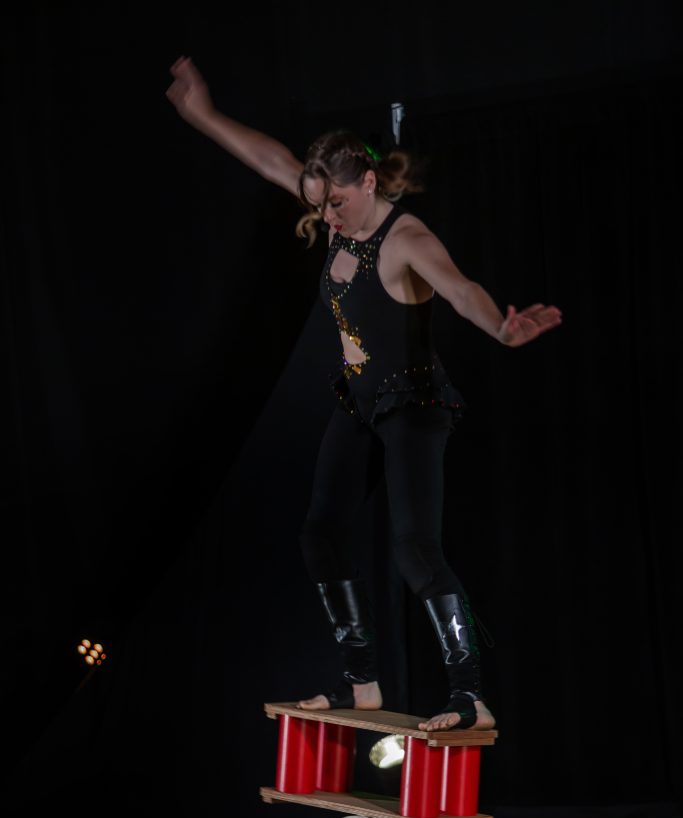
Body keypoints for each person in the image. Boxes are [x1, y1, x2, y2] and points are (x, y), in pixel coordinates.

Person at [166, 56, 562, 732]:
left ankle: (469, 695)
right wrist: (200, 113)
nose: (328, 217)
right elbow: (269, 159)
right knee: (318, 534)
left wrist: (500, 325)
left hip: (413, 404)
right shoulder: (331, 207)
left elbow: (459, 287)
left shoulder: (404, 237)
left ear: (369, 181)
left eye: (339, 203)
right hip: (359, 401)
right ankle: (363, 685)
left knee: (414, 550)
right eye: (319, 203)